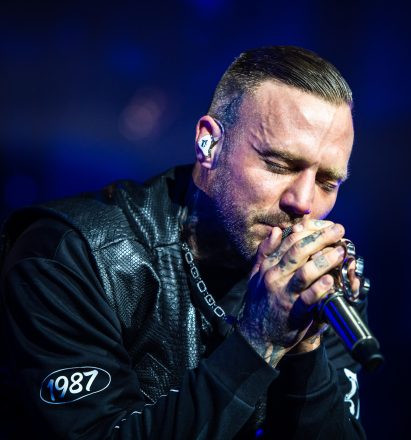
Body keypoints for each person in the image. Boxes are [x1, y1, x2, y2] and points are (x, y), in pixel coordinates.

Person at [0, 45, 368, 439]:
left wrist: (305, 348)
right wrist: (258, 340)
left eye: (327, 182)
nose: (303, 202)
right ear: (210, 145)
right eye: (279, 164)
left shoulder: (321, 285)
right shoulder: (70, 255)